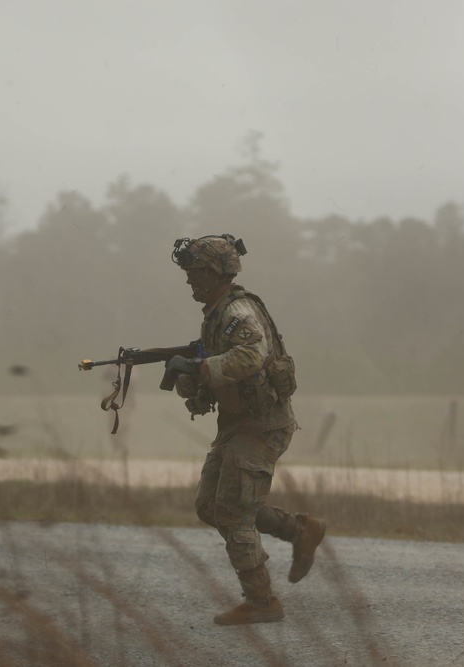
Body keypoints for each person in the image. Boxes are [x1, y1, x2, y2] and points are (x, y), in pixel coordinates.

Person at [165, 234, 326, 626]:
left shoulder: (238, 311)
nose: (189, 281)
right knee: (210, 507)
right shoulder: (216, 316)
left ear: (217, 272)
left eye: (196, 272)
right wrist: (188, 375)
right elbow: (211, 383)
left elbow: (252, 356)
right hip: (237, 425)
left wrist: (199, 367)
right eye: (188, 273)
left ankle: (261, 601)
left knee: (234, 514)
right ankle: (299, 530)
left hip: (261, 425)